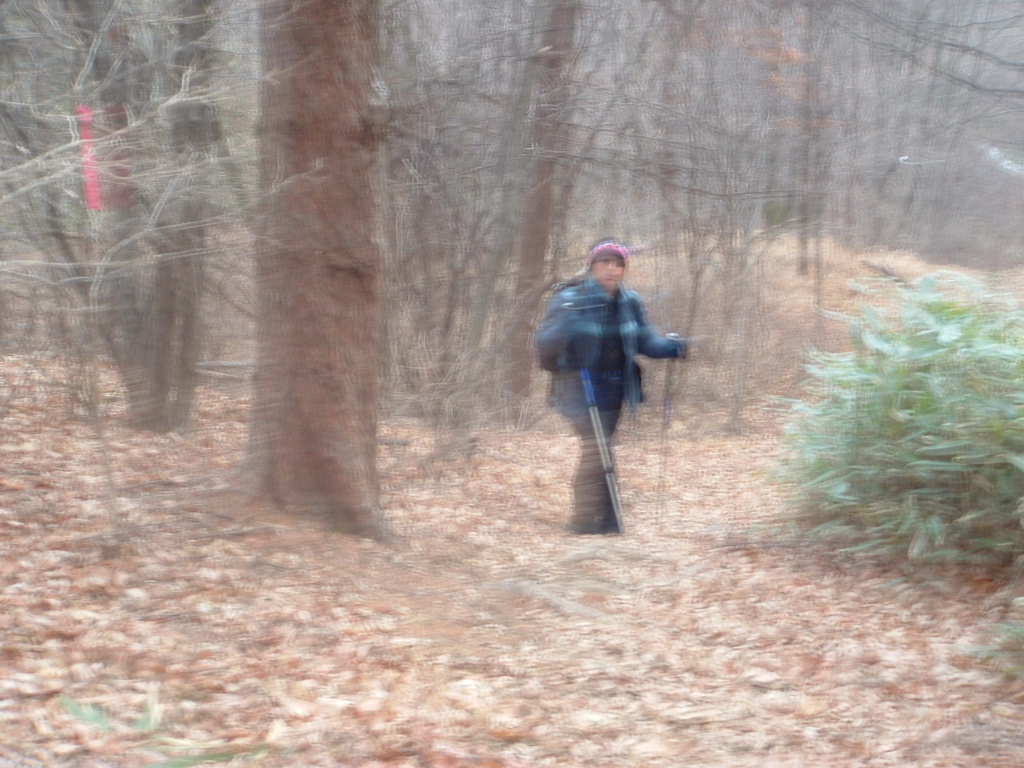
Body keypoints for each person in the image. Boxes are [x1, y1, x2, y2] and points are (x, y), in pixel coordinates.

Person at [535, 240, 686, 534]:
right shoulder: (570, 298)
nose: (612, 269)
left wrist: (673, 347)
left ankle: (602, 522)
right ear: (593, 265)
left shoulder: (630, 302)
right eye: (605, 262)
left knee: (600, 450)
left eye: (618, 264)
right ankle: (591, 522)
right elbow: (543, 345)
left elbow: (646, 342)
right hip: (578, 387)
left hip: (615, 389)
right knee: (597, 450)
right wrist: (565, 326)